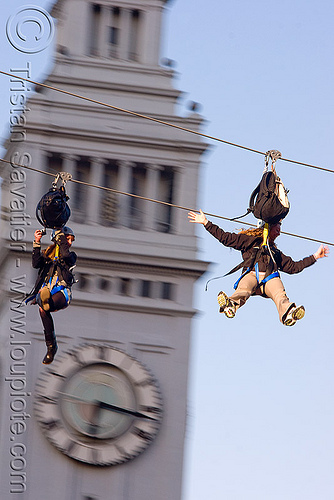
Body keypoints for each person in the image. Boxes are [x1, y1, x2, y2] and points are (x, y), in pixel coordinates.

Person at [188, 209, 329, 326]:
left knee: (279, 293)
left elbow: (293, 267)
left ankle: (288, 313)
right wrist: (206, 223)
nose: (279, 233)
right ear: (268, 227)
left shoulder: (275, 252)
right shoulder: (249, 241)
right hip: (252, 274)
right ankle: (231, 304)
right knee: (244, 288)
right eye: (277, 229)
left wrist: (315, 257)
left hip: (269, 279)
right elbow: (226, 238)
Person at [29, 226, 77, 363]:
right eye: (67, 239)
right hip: (48, 291)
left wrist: (60, 235)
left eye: (71, 240)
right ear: (58, 239)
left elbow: (66, 255)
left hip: (62, 292)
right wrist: (37, 242)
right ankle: (51, 346)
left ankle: (44, 299)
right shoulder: (47, 255)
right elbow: (36, 263)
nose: (69, 242)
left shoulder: (71, 256)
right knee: (43, 309)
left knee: (45, 306)